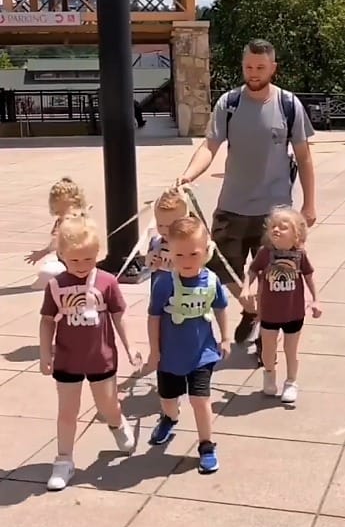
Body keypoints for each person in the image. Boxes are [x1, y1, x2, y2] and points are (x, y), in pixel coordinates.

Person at [179, 38, 317, 355]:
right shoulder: (229, 103)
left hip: (275, 213)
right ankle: (252, 309)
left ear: (273, 68)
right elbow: (210, 146)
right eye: (248, 67)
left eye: (260, 67)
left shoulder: (288, 105)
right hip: (232, 206)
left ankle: (265, 338)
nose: (253, 73)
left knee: (274, 275)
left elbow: (304, 157)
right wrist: (189, 174)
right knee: (219, 265)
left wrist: (309, 204)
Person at [39, 213, 138, 491]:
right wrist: (45, 352)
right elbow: (47, 320)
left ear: (97, 253)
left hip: (101, 357)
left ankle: (118, 424)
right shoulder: (56, 285)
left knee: (108, 406)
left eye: (88, 259)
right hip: (67, 359)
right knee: (67, 412)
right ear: (62, 255)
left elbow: (119, 315)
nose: (82, 266)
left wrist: (130, 346)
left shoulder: (107, 281)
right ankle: (64, 459)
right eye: (75, 260)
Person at [147, 216, 230, 474]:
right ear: (170, 253)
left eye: (193, 254)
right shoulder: (164, 283)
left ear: (206, 251)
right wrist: (154, 351)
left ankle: (206, 445)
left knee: (200, 400)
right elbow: (154, 317)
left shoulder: (211, 281)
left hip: (202, 353)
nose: (186, 260)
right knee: (168, 399)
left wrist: (225, 338)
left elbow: (221, 308)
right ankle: (170, 418)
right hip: (170, 356)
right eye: (179, 255)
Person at [240, 207, 321, 403]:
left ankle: (291, 382)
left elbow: (309, 276)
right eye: (273, 226)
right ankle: (269, 375)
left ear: (296, 234)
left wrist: (316, 300)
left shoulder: (300, 255)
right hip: (269, 312)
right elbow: (252, 271)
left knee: (291, 350)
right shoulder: (265, 253)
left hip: (294, 312)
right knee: (268, 350)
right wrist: (246, 288)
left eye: (283, 227)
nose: (276, 230)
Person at [25, 176, 88, 267]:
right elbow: (56, 241)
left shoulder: (71, 220)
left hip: (74, 261)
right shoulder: (63, 220)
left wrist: (44, 252)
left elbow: (58, 241)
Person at [145, 187, 189, 288]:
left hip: (183, 293)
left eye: (169, 226)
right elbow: (149, 266)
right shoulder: (156, 242)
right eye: (160, 225)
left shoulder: (190, 244)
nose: (164, 230)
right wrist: (151, 262)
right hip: (159, 292)